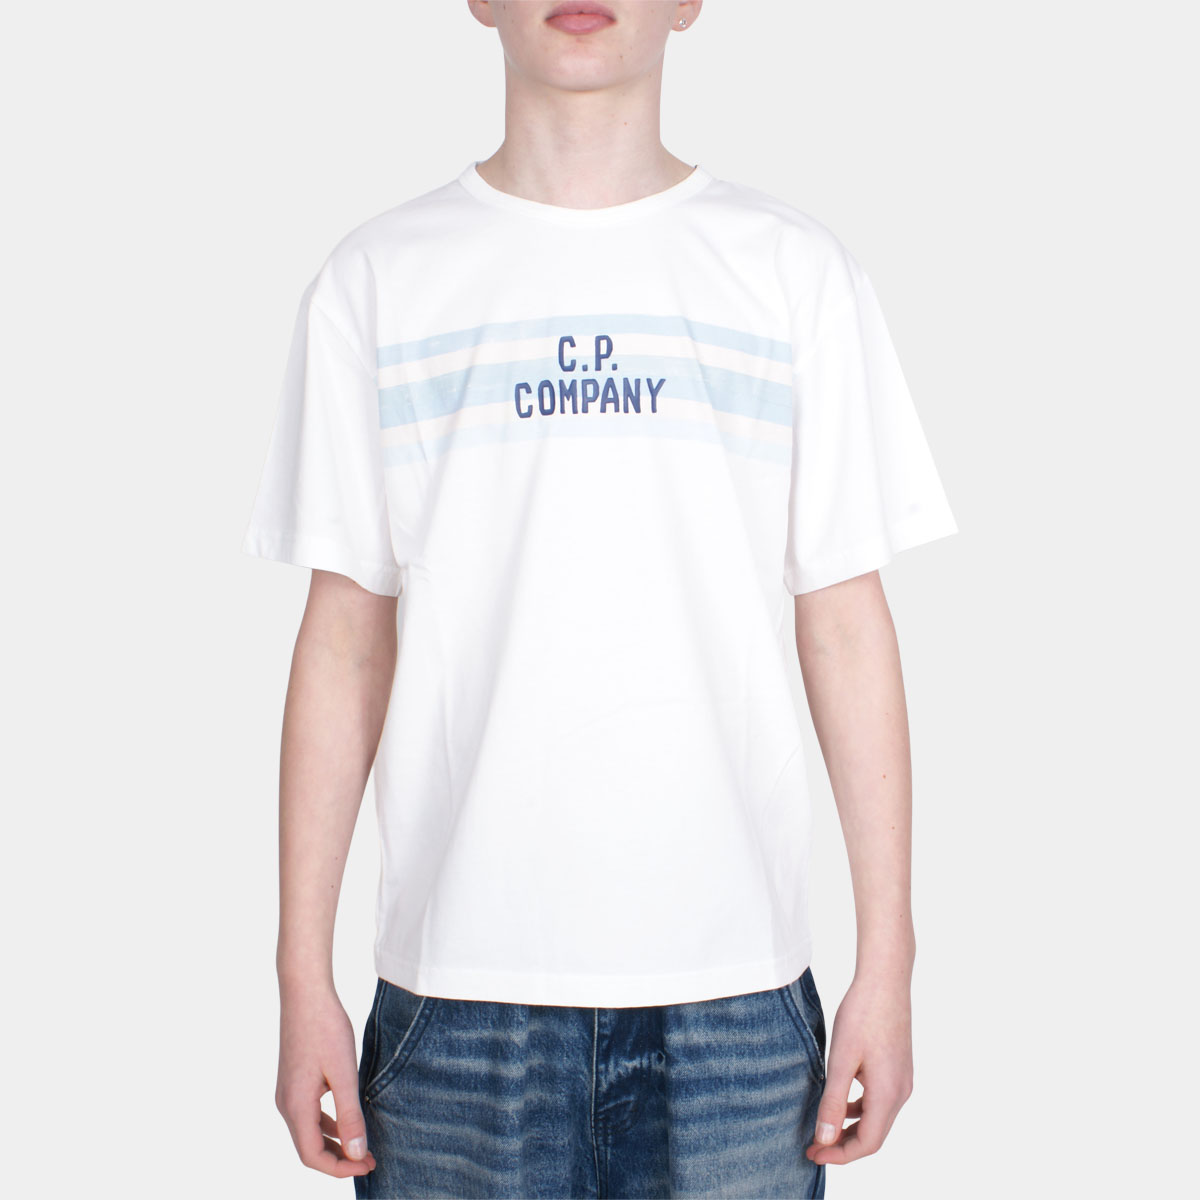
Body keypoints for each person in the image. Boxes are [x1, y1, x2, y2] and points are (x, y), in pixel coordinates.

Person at [241, 2, 958, 1196]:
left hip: (737, 1014)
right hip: (454, 1013)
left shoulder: (792, 276)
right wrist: (298, 975)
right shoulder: (377, 283)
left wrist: (890, 960)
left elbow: (844, 625)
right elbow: (345, 641)